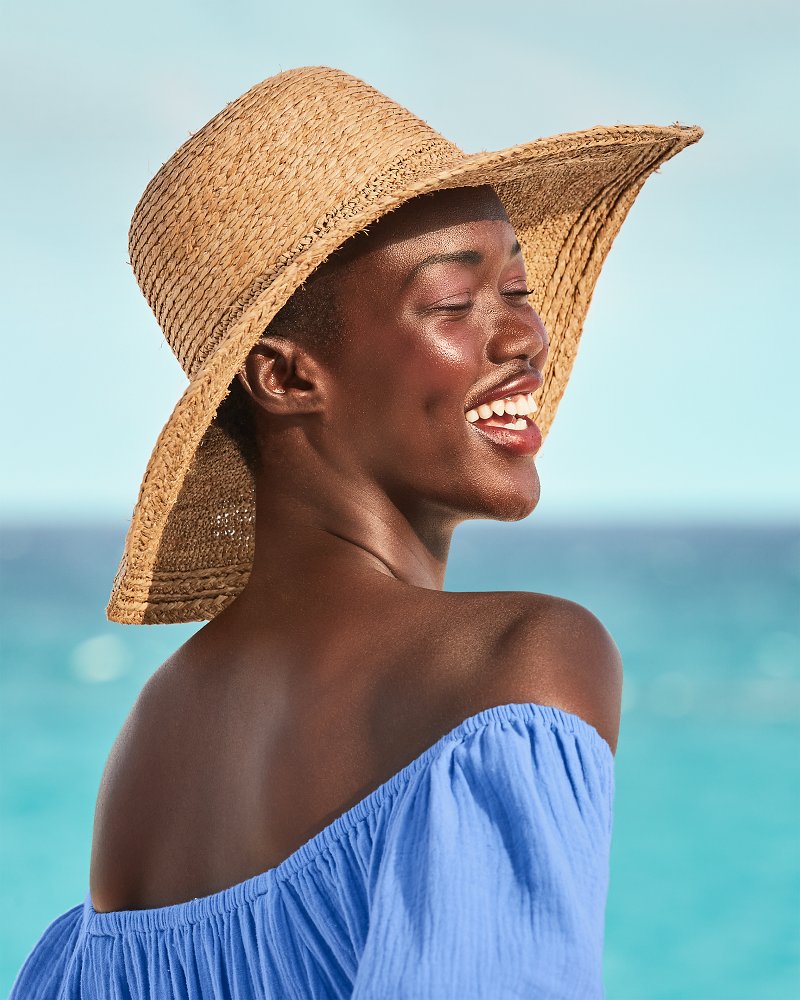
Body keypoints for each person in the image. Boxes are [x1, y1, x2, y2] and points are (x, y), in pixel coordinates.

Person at [10, 66, 702, 998]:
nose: (526, 338)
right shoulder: (515, 665)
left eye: (519, 289)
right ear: (287, 378)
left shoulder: (146, 757)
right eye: (455, 303)